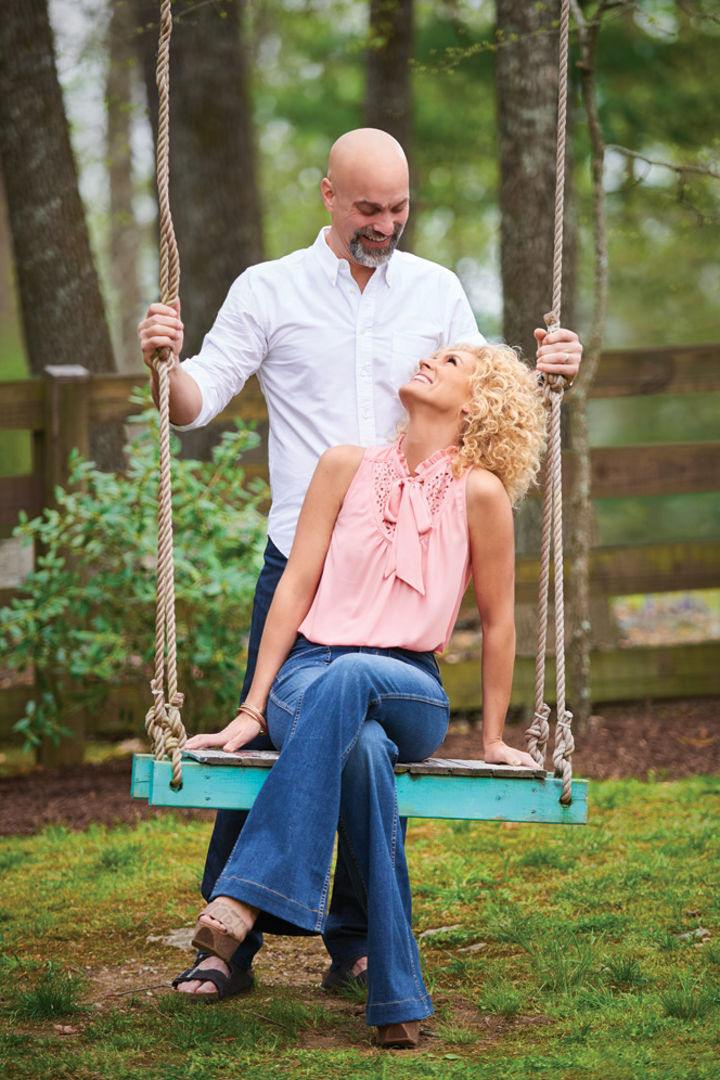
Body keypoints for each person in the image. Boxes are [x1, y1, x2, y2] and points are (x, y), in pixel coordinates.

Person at [138, 127, 583, 1000]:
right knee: (272, 737)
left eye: (399, 208)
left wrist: (551, 369)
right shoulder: (270, 289)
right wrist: (163, 364)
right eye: (371, 209)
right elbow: (197, 398)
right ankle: (238, 948)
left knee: (357, 728)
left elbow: (490, 392)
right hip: (303, 565)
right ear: (329, 196)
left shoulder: (436, 291)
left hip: (405, 582)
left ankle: (341, 938)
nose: (387, 224)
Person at [172, 342, 546, 1048]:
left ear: (477, 403)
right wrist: (253, 709)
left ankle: (246, 894)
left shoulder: (481, 492)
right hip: (309, 674)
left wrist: (493, 736)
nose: (431, 360)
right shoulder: (343, 465)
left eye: (454, 360)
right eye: (432, 353)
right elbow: (295, 586)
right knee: (363, 750)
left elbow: (499, 622)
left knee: (362, 693)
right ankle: (397, 995)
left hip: (409, 686)